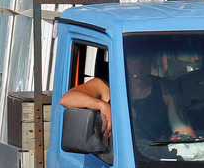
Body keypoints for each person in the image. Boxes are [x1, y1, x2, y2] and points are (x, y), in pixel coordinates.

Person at [59, 53, 196, 144]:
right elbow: (67, 98)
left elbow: (184, 131)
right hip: (115, 162)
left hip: (157, 157)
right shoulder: (107, 85)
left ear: (151, 61)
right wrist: (102, 105)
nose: (140, 63)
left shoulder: (166, 89)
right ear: (123, 59)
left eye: (144, 57)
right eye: (134, 57)